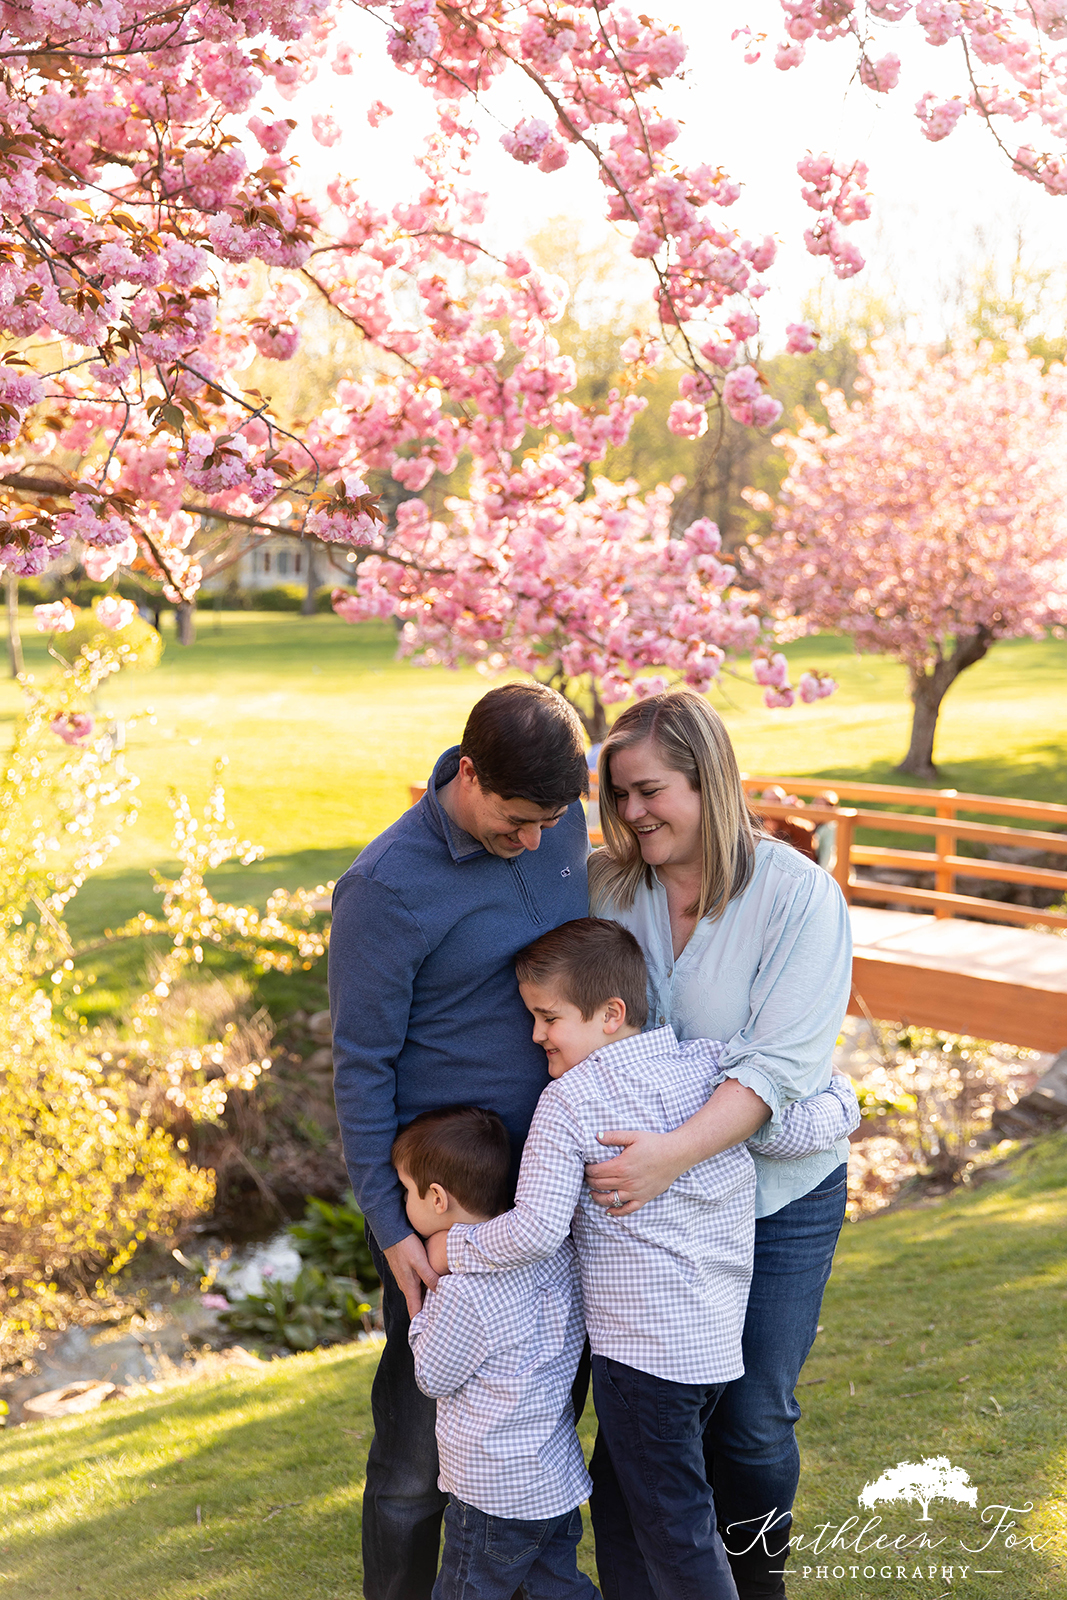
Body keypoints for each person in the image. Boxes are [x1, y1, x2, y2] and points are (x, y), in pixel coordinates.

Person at [441, 917, 859, 1600]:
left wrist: (455, 1245)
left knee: (676, 1531)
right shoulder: (710, 1069)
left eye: (548, 1018)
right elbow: (791, 1129)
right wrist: (843, 1095)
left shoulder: (567, 1103)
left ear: (610, 1015)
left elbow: (537, 1231)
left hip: (642, 1359)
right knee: (624, 1505)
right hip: (712, 1348)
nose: (536, 1035)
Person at [586, 689, 854, 1600]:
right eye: (618, 794)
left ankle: (755, 1584)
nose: (632, 812)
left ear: (709, 781)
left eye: (650, 791)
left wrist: (665, 1155)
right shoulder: (608, 888)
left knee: (750, 1420)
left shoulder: (797, 897)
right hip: (657, 1211)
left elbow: (775, 1070)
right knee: (656, 1416)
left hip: (778, 1199)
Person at [328, 681, 590, 1600]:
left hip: (558, 1185)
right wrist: (391, 1227)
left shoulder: (556, 816)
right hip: (450, 1208)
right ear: (468, 773)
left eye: (550, 822)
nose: (537, 840)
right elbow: (360, 1068)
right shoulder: (382, 889)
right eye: (517, 822)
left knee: (538, 1428)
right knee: (415, 1454)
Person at [394, 1106, 599, 1600]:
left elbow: (432, 1377)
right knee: (559, 1590)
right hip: (553, 1480)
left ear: (437, 1198)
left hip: (492, 1492)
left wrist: (419, 1316)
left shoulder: (461, 1291)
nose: (401, 1203)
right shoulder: (556, 1254)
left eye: (405, 1191)